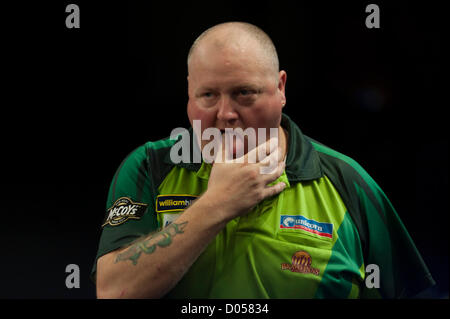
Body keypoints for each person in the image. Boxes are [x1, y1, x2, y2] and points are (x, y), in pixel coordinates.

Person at [92, 22, 435, 298]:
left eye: (244, 93)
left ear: (280, 87)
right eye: (208, 95)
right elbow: (114, 291)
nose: (226, 114)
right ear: (188, 94)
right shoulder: (148, 167)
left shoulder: (348, 181)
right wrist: (216, 206)